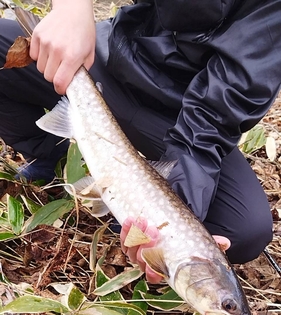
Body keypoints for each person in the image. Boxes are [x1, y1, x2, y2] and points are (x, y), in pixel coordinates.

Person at [0, 0, 279, 281]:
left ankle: (121, 214)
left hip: (183, 114)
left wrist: (176, 208)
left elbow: (225, 103)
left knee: (245, 230)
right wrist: (72, 8)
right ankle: (51, 154)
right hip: (110, 59)